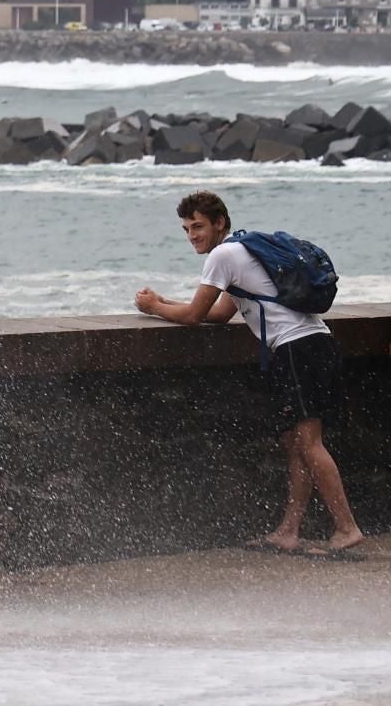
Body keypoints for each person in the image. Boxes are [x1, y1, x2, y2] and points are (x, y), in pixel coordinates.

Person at [134, 191, 364, 555]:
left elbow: (194, 316)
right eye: (186, 228)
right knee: (295, 445)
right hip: (311, 345)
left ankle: (346, 528)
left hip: (297, 349)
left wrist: (154, 307)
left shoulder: (223, 255)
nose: (192, 235)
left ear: (219, 223)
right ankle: (289, 531)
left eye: (198, 226)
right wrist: (161, 305)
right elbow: (220, 312)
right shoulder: (241, 251)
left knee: (309, 443)